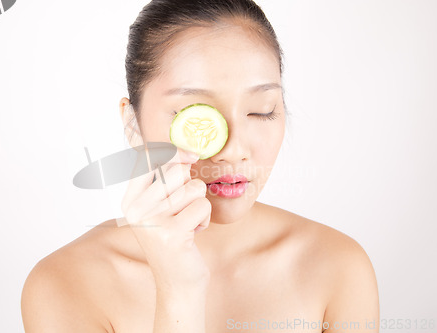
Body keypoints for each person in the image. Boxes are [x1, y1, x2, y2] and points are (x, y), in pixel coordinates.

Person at [21, 0, 379, 332]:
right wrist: (179, 289)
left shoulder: (339, 267)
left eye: (261, 111)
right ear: (133, 124)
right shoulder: (63, 284)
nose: (233, 150)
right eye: (195, 115)